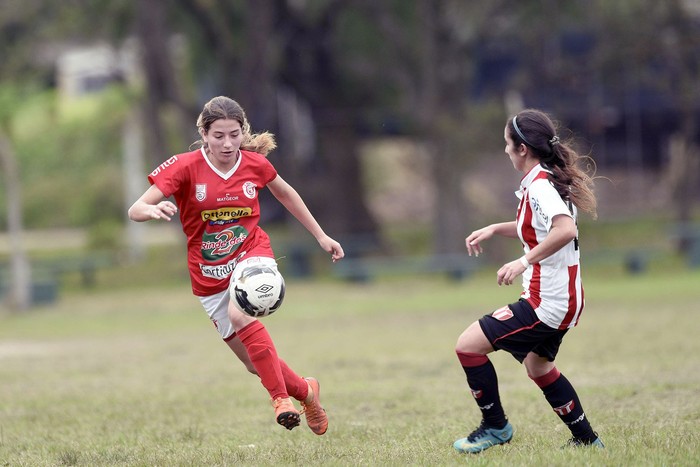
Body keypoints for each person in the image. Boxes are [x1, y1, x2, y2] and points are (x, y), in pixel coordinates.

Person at [128, 96, 344, 435]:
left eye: (234, 134)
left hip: (251, 252)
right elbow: (136, 208)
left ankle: (280, 401)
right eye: (218, 136)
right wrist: (150, 211)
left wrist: (321, 236)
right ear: (203, 133)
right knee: (252, 364)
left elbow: (286, 193)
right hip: (207, 272)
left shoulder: (254, 164)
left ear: (243, 131)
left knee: (241, 312)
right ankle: (306, 392)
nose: (227, 144)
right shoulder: (184, 166)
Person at [453, 109, 604, 453]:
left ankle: (496, 427)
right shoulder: (545, 179)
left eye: (507, 143)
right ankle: (587, 440)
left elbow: (565, 230)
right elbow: (538, 227)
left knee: (468, 346)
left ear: (522, 148)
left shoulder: (540, 185)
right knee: (539, 368)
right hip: (565, 299)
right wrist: (494, 228)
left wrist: (522, 261)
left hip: (546, 302)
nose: (505, 150)